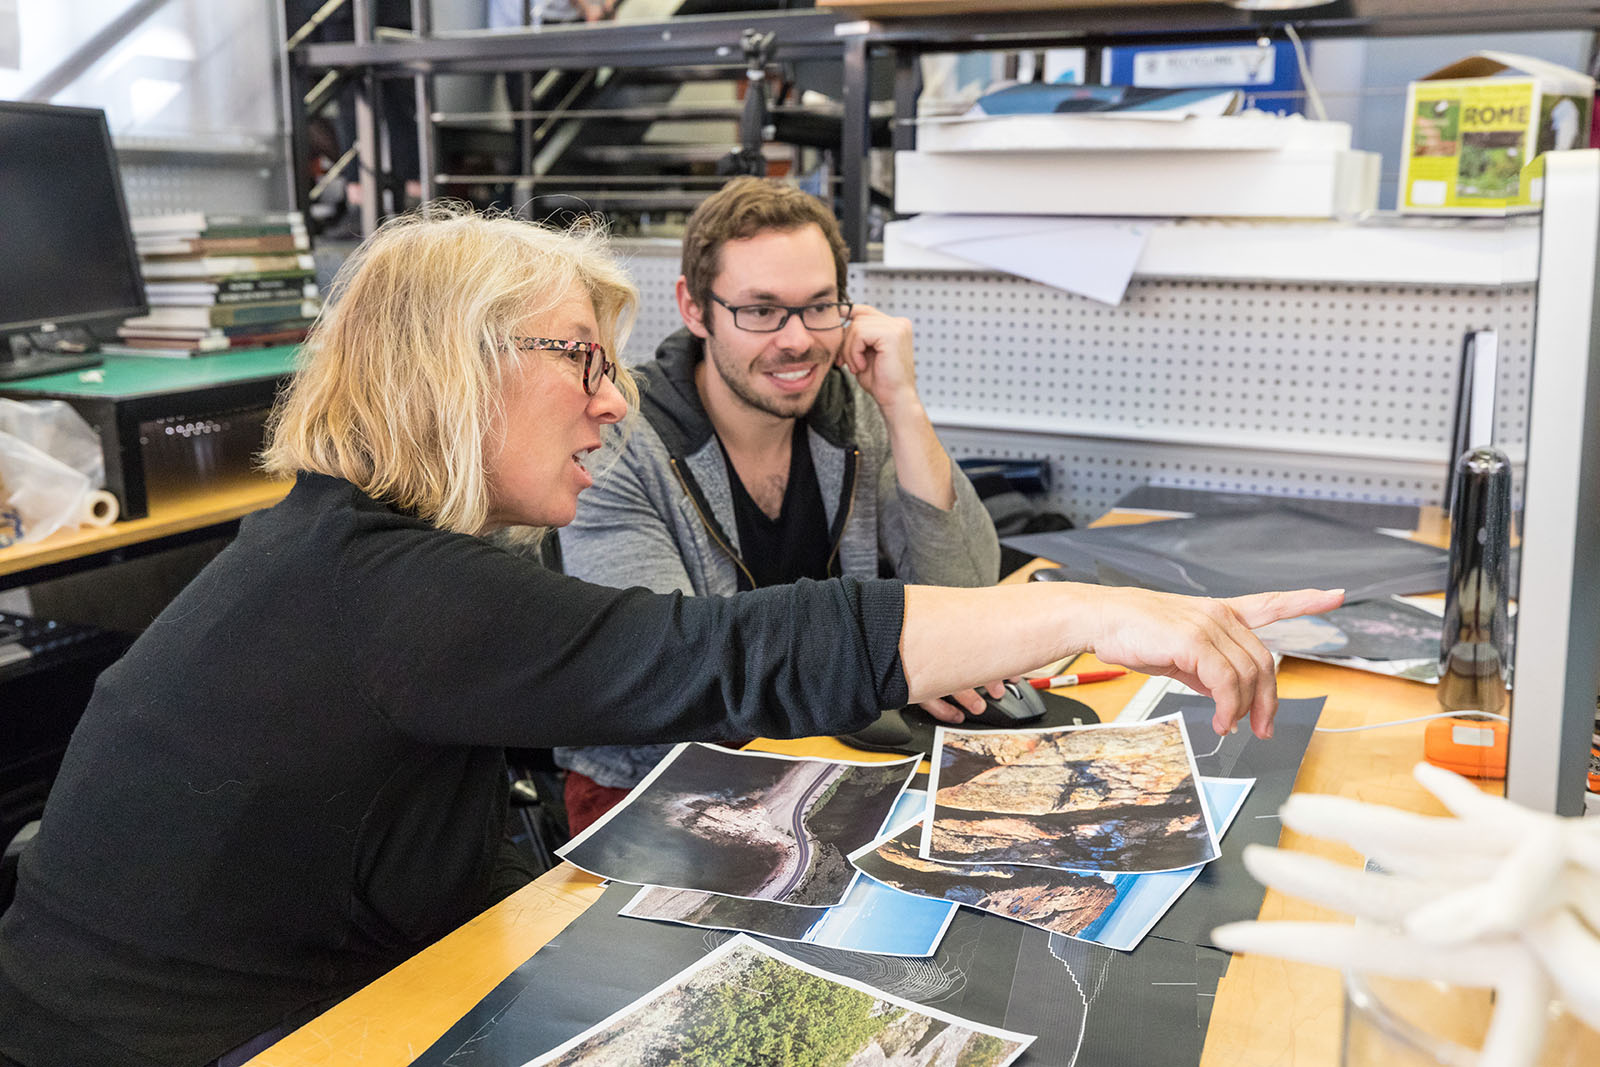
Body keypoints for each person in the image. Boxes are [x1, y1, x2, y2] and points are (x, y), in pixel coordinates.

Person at [0, 204, 1337, 1067]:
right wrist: (1106, 610)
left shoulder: (353, 546)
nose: (606, 404)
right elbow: (726, 652)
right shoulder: (395, 585)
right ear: (455, 369)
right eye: (577, 359)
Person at [552, 176, 1003, 831]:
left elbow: (969, 605)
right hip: (654, 789)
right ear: (694, 307)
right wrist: (885, 663)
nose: (797, 341)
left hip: (829, 762)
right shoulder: (617, 442)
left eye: (821, 306)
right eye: (760, 310)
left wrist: (902, 405)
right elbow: (671, 682)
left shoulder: (851, 416)